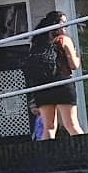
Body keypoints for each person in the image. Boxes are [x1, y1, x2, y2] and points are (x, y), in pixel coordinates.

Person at [27, 10, 84, 139]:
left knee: (49, 128)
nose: (66, 26)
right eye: (64, 23)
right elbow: (74, 65)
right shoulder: (63, 39)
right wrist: (77, 55)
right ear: (57, 24)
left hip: (43, 87)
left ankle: (47, 157)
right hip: (62, 84)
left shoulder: (37, 43)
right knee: (72, 125)